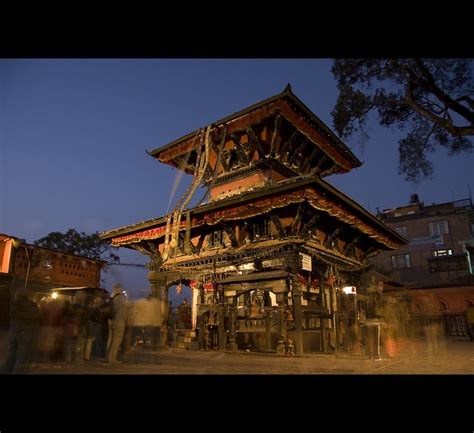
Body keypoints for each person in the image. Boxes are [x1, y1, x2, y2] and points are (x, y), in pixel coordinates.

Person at [3, 287, 42, 373]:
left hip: (14, 330)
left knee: (11, 353)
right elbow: (38, 316)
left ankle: (6, 371)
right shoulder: (32, 305)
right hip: (25, 331)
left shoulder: (13, 304)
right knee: (21, 356)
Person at [106, 283, 128, 363]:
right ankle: (112, 358)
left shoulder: (112, 296)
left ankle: (107, 357)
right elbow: (120, 310)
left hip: (111, 320)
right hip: (118, 320)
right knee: (117, 340)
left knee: (110, 339)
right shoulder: (120, 298)